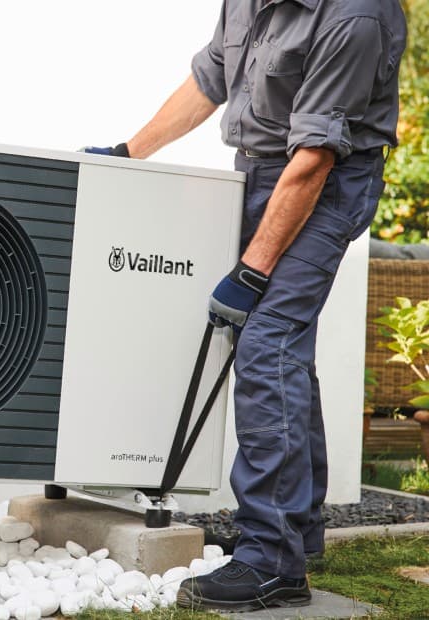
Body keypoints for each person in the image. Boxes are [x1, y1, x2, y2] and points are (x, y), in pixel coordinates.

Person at [83, 0, 406, 612]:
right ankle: (297, 529)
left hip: (327, 184)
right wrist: (129, 154)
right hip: (257, 172)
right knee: (281, 347)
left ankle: (273, 562)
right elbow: (210, 77)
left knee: (266, 344)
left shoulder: (355, 17)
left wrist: (251, 273)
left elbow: (314, 160)